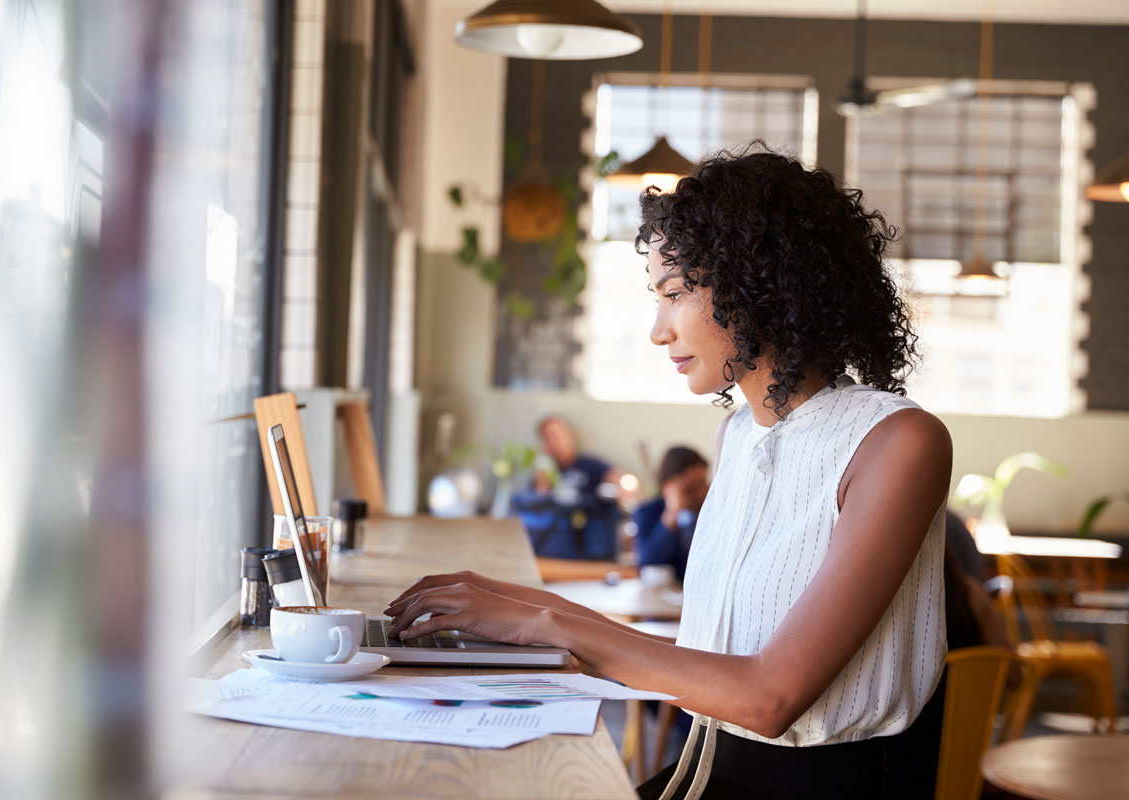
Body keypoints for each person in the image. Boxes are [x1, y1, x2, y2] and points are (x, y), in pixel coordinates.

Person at [385, 145, 951, 799]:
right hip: (702, 778)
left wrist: (546, 623)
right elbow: (705, 659)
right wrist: (509, 599)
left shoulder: (898, 442)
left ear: (763, 285)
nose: (659, 330)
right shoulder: (738, 433)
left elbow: (769, 696)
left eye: (676, 293)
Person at [512, 415, 626, 560]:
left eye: (559, 434)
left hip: (591, 543)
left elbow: (619, 483)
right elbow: (539, 505)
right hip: (555, 548)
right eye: (549, 437)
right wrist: (543, 470)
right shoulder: (545, 470)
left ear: (570, 435)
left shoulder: (591, 465)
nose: (556, 441)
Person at [633, 446, 710, 581]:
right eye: (693, 488)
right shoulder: (647, 512)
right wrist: (673, 515)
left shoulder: (710, 513)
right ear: (669, 487)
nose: (703, 493)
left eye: (704, 485)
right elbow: (648, 562)